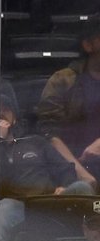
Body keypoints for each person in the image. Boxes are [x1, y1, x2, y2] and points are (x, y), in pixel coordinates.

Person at [0, 95, 95, 241]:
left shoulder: (35, 142)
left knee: (82, 187)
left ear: (14, 118)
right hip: (20, 206)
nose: (1, 114)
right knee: (2, 209)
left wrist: (64, 186)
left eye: (5, 110)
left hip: (51, 199)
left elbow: (65, 168)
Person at [35, 18, 100, 189]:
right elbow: (48, 134)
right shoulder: (63, 80)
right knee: (82, 189)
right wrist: (82, 175)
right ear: (88, 45)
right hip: (71, 169)